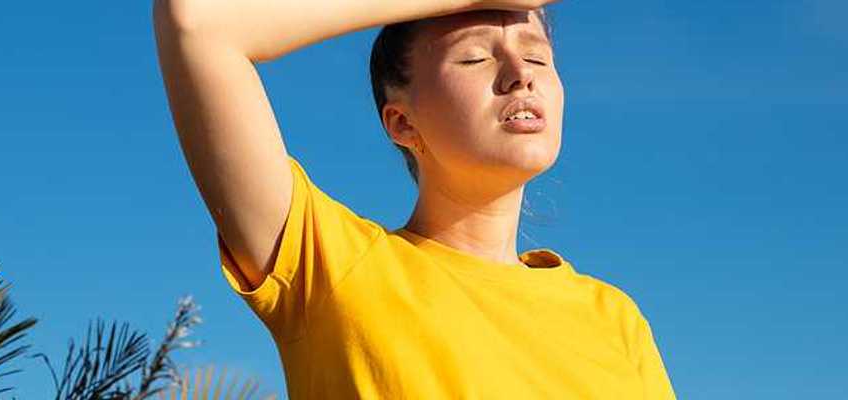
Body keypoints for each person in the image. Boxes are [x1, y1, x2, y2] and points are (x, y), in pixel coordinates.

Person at [152, 0, 676, 397]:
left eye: (538, 56)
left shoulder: (613, 318)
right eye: (474, 58)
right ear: (402, 121)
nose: (521, 75)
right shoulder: (334, 268)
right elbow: (198, 19)